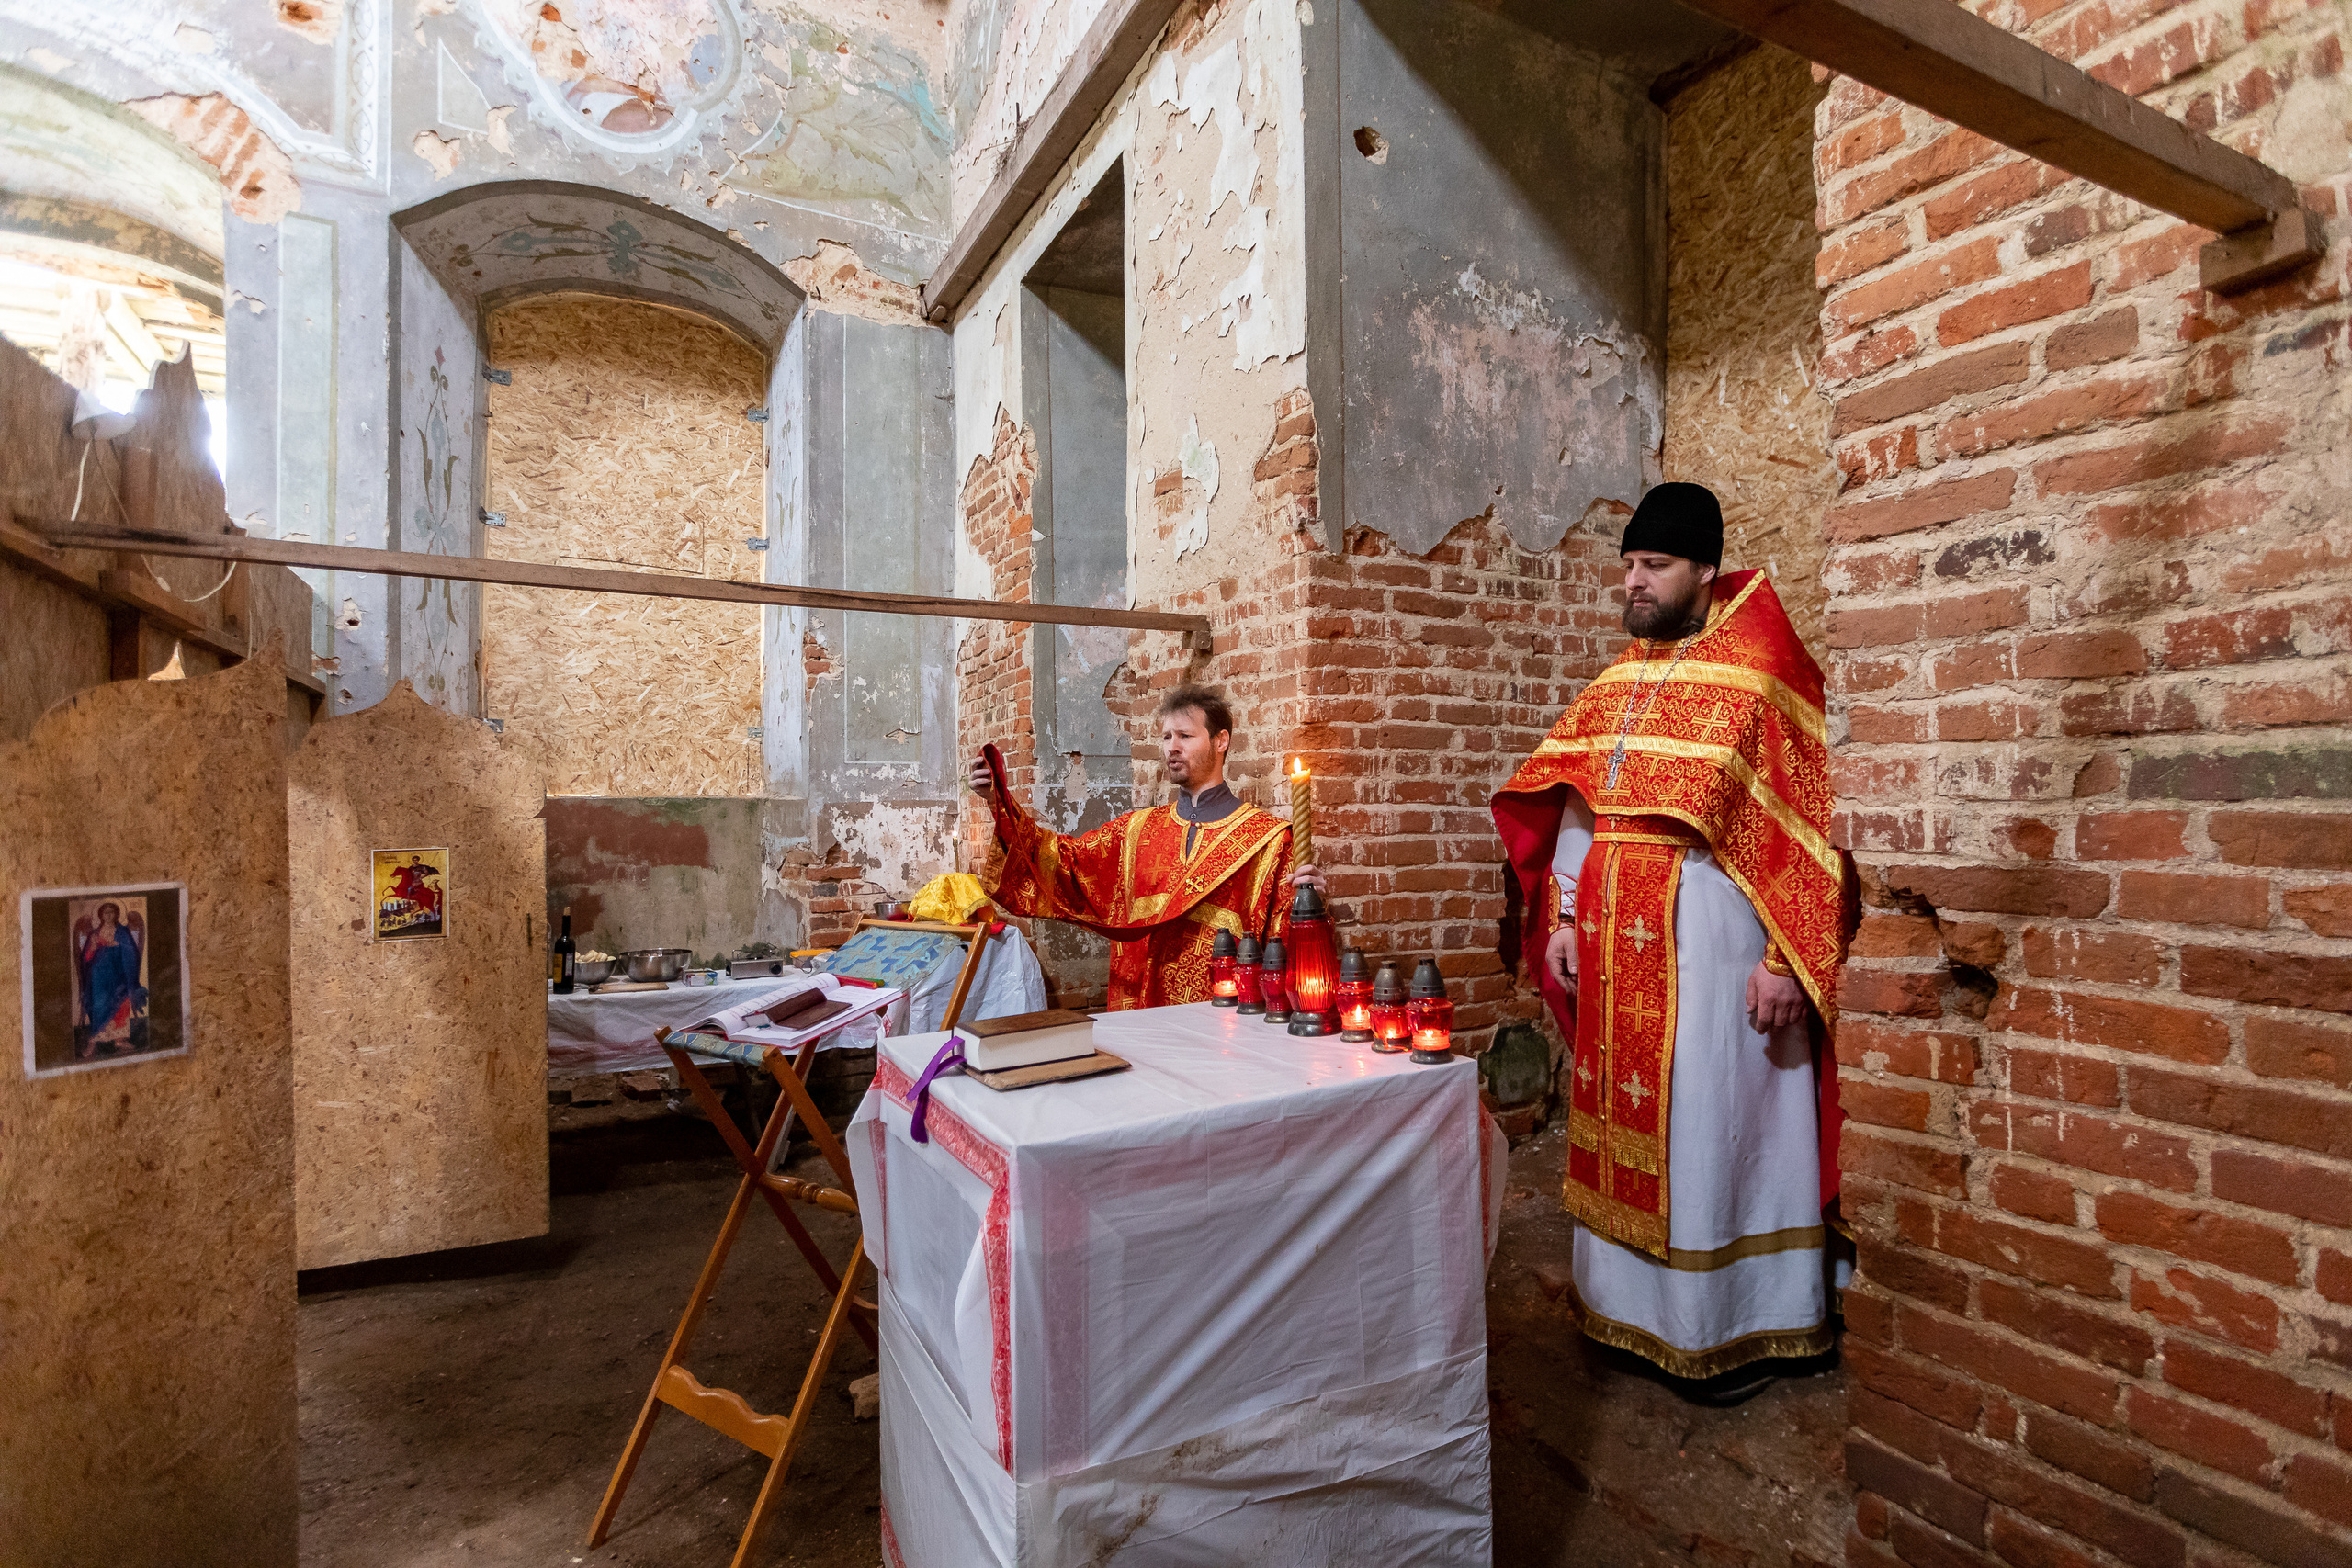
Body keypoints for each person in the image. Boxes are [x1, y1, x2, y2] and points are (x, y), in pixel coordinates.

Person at [1490, 480, 1852, 1402]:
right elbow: (1578, 804)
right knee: (1628, 1120)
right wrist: (1567, 917)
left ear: (1703, 568)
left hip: (1718, 948)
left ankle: (1730, 1326)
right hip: (1620, 949)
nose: (1634, 581)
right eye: (1629, 565)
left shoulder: (1763, 675)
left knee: (1713, 1123)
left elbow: (1806, 834)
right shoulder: (1619, 680)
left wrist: (1783, 959)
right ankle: (1625, 1311)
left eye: (1653, 566)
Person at [970, 685, 1312, 1010]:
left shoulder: (1267, 840)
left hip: (1222, 1018)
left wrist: (1308, 906)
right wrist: (998, 801)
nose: (1171, 747)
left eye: (1185, 736)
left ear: (1221, 741)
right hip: (1140, 1009)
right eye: (1166, 737)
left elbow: (1287, 946)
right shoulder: (1136, 831)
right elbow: (1063, 861)